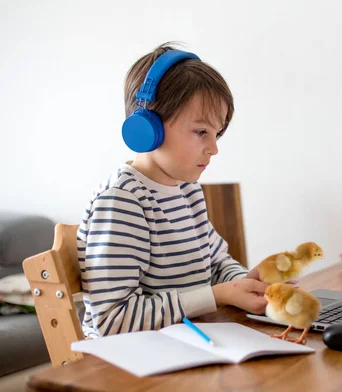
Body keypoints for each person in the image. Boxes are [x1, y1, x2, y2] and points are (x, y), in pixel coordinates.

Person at [77, 42, 268, 338]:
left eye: (217, 134)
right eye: (201, 132)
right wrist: (217, 296)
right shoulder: (122, 202)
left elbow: (215, 263)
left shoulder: (187, 190)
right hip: (123, 363)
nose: (214, 148)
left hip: (183, 342)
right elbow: (111, 319)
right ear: (146, 128)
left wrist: (245, 284)